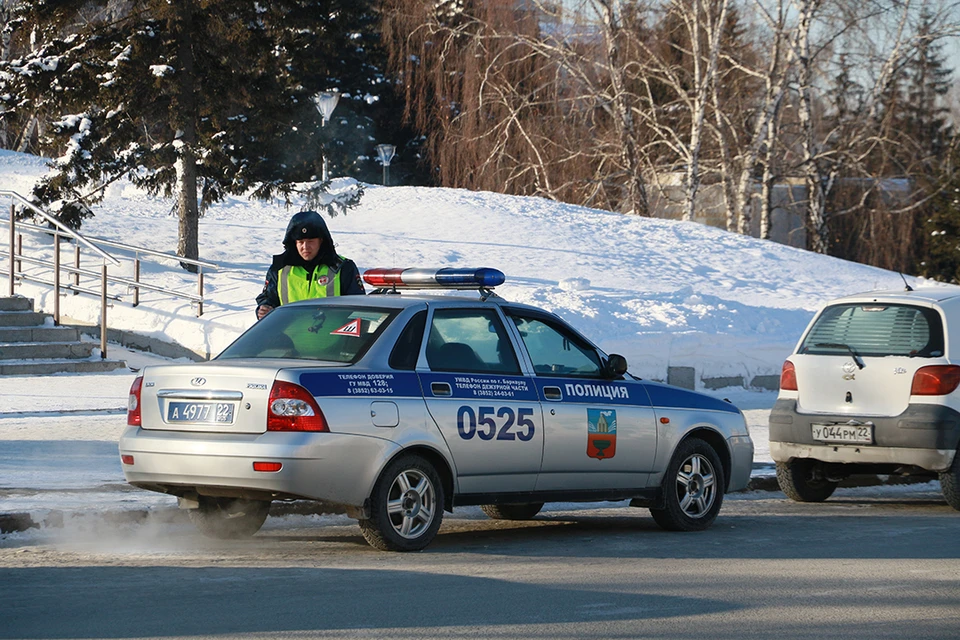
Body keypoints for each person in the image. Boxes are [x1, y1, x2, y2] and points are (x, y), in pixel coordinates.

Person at [255, 210, 365, 319]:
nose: (305, 247)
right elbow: (268, 299)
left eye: (311, 241)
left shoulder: (343, 268)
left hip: (333, 336)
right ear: (294, 243)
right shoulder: (279, 269)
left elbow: (360, 309)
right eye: (300, 242)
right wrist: (264, 309)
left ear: (321, 241)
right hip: (289, 336)